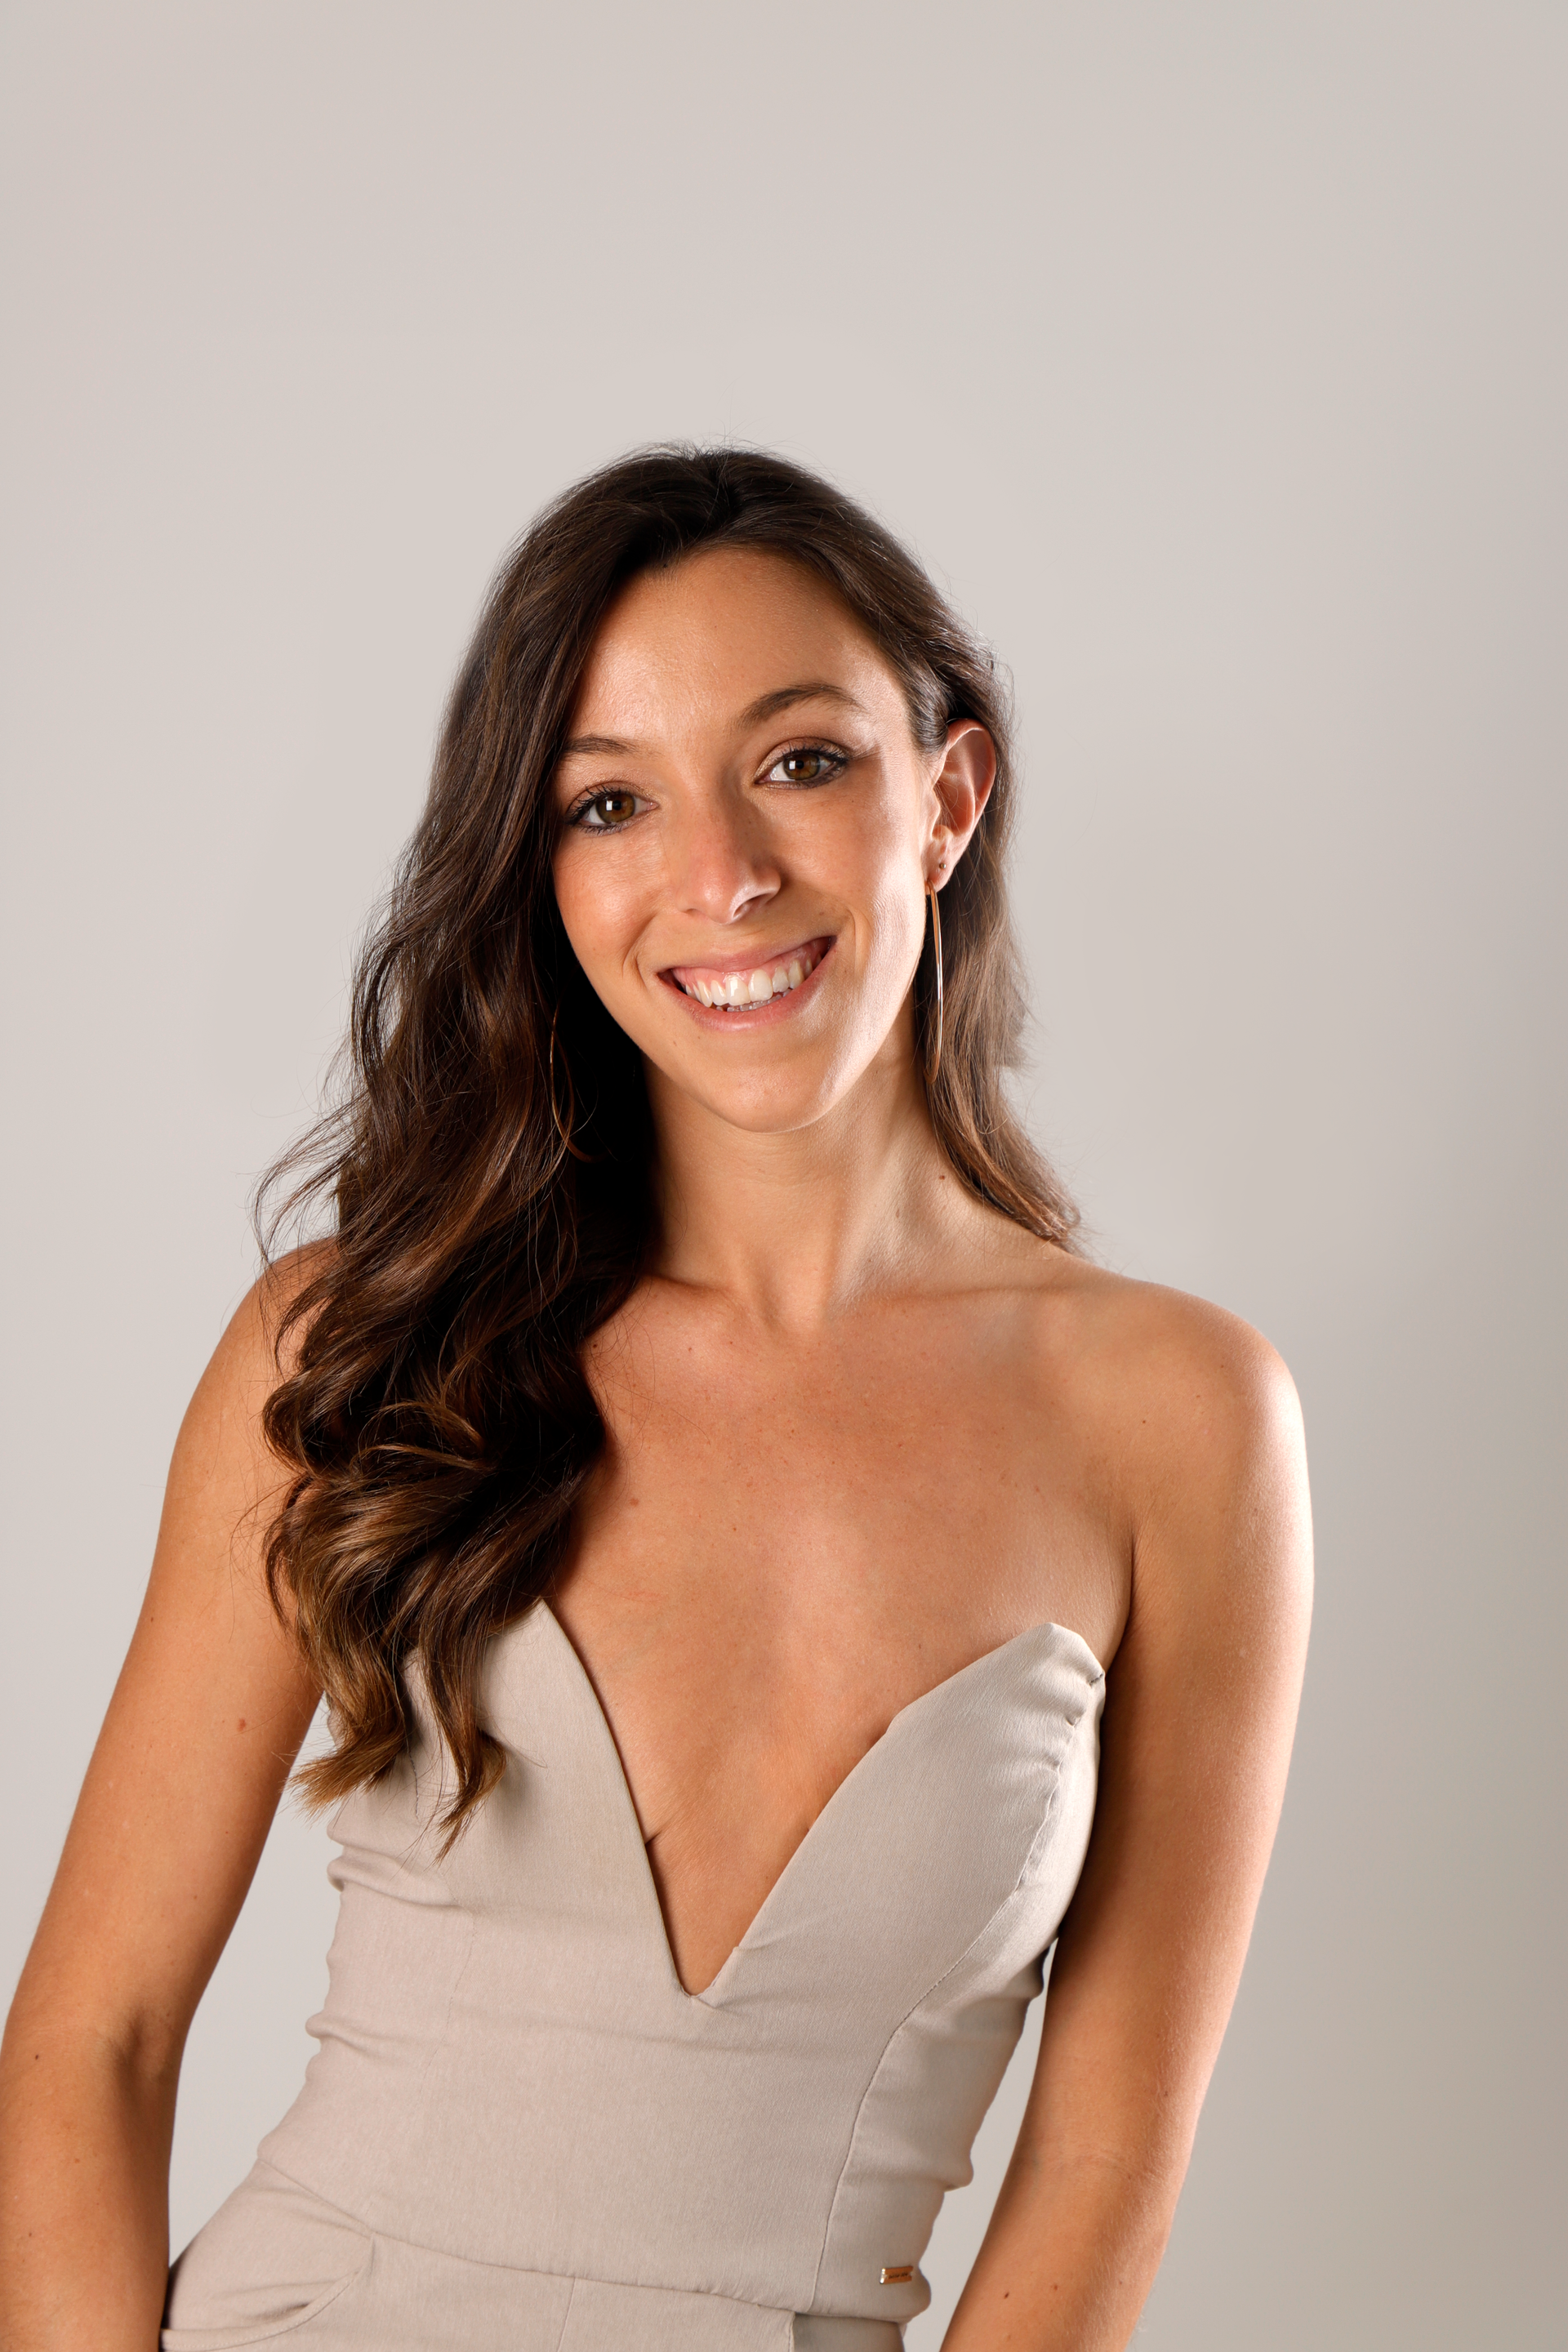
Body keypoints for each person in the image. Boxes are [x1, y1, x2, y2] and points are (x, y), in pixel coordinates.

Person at [0, 448, 1312, 2352]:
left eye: (799, 760)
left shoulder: (1182, 1420)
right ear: (542, 876)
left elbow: (1108, 2162)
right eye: (611, 801)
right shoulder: (355, 1348)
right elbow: (91, 2040)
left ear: (945, 799)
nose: (722, 877)